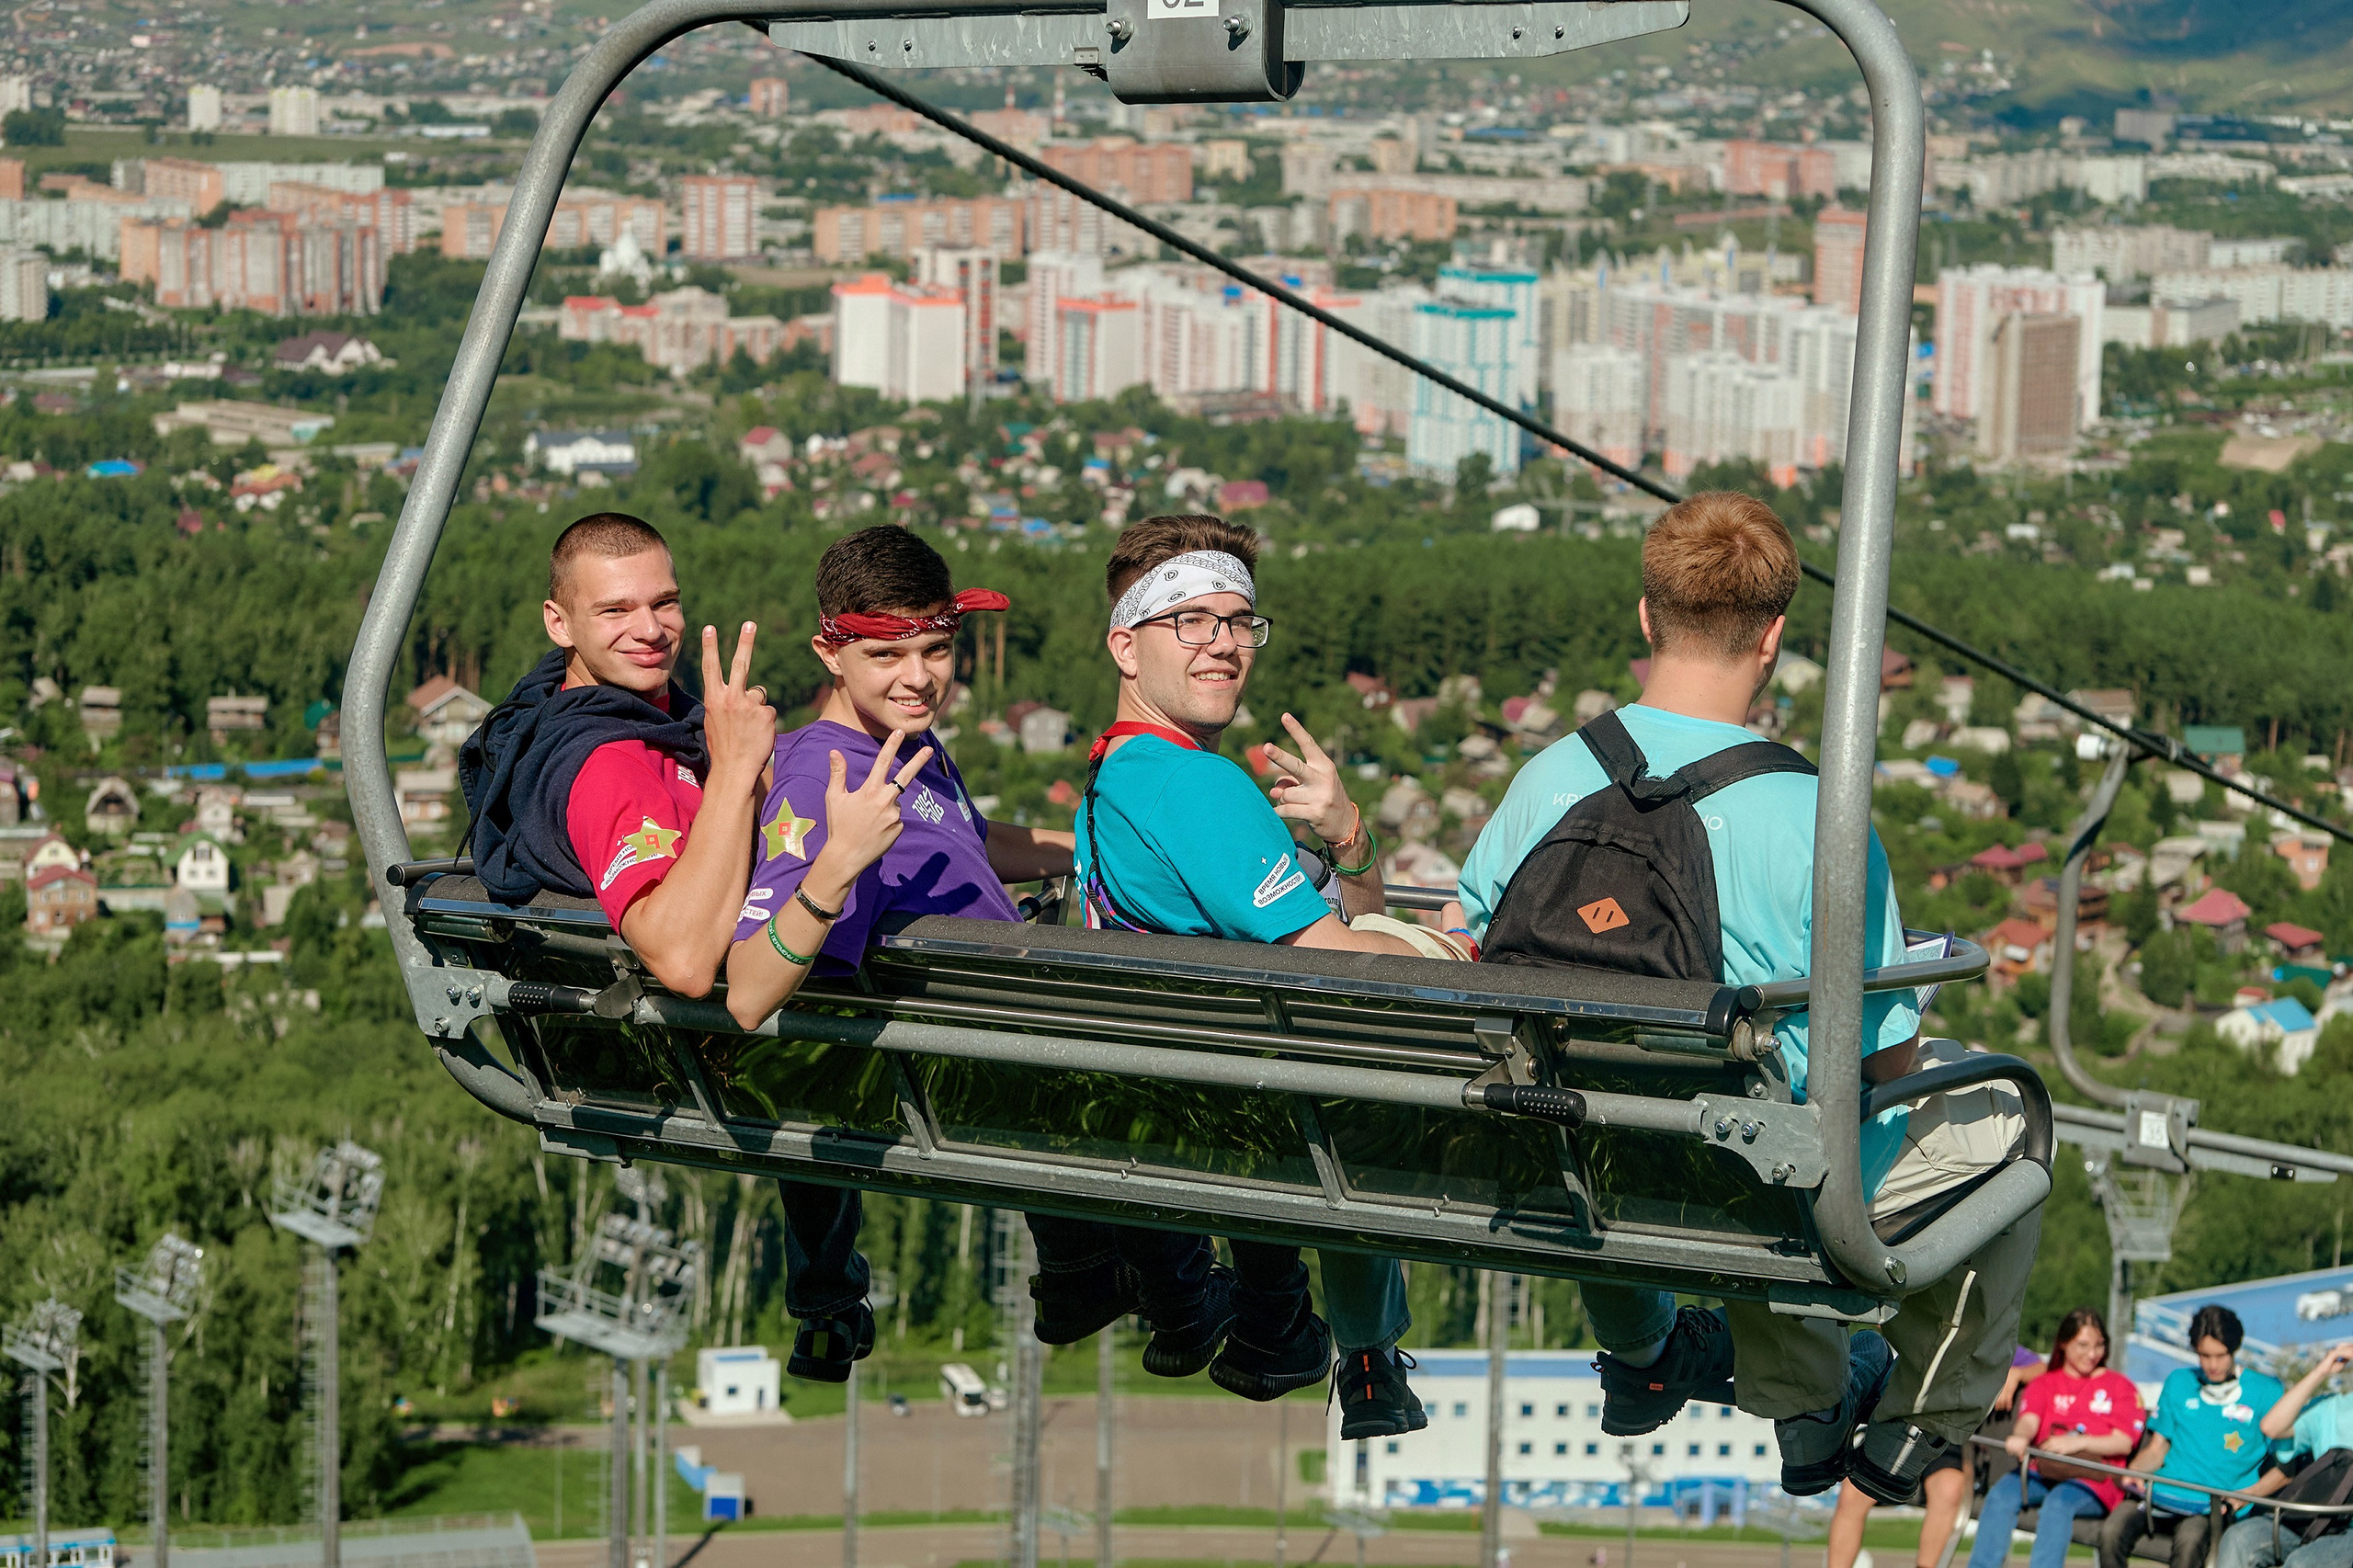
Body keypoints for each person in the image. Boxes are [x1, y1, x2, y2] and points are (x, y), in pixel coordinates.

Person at [1455, 492, 2041, 1503]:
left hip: (1572, 1153)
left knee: (1762, 1100)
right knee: (2005, 1115)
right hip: (1749, 1182)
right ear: (1772, 636)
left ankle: (1806, 1403)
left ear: (1647, 615)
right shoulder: (1819, 819)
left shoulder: (1547, 779)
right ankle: (1916, 1423)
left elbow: (1470, 953)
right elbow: (1884, 1066)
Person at [1058, 511, 1468, 1439]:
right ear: (1125, 644)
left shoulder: (1116, 773)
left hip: (1200, 1082)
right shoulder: (1194, 786)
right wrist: (1456, 956)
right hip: (1257, 1096)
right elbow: (1338, 956)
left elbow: (1337, 924)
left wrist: (1347, 836)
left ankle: (1325, 1341)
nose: (1225, 644)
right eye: (1191, 621)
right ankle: (1364, 1349)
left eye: (1240, 621)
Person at [720, 526, 1076, 1382]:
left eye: (936, 650)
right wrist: (835, 865)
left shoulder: (902, 742)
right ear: (830, 656)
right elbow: (752, 992)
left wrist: (1100, 849)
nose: (919, 678)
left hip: (982, 1031)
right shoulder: (824, 782)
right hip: (963, 1055)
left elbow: (970, 841)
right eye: (886, 655)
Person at [460, 512, 774, 1000]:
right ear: (559, 623)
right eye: (614, 611)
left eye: (665, 603)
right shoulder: (607, 766)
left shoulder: (655, 720)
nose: (650, 630)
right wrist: (734, 770)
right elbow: (684, 963)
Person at [2102, 1306, 2288, 1568]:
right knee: (2111, 1532)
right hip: (2162, 1493)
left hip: (2213, 1505)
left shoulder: (2266, 1391)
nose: (2212, 1365)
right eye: (2204, 1355)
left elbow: (2287, 1465)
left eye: (2220, 1355)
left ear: (2234, 1349)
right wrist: (2134, 1472)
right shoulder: (2179, 1382)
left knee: (2189, 1542)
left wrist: (2248, 1495)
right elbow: (2157, 1449)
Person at [1827, 1351, 2045, 1568]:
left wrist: (2016, 1373)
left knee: (1949, 1490)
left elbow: (2042, 1368)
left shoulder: (1986, 1340)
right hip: (1897, 1424)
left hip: (1946, 1435)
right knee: (1852, 1492)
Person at [1965, 1309, 2146, 1568]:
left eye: (2099, 1345)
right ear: (2064, 1343)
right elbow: (2029, 1420)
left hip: (2095, 1478)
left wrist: (2078, 1442)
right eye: (2083, 1345)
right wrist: (2020, 1436)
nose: (2092, 1353)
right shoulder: (2045, 1383)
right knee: (2001, 1496)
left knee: (2058, 1504)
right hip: (2044, 1470)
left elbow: (2123, 1442)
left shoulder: (2120, 1386)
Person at [2215, 1342, 2353, 1568]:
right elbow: (2272, 1427)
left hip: (2348, 1532)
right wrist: (2321, 1371)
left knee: (2302, 1563)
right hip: (2309, 1519)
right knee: (2238, 1538)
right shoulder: (2332, 1407)